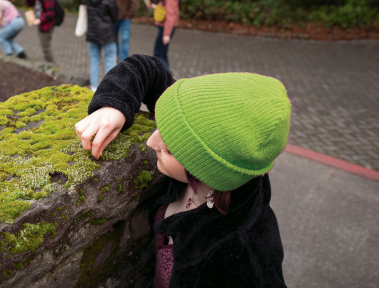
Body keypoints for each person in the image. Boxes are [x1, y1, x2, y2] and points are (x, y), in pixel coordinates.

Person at [75, 55, 289, 287]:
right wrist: (114, 105)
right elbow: (147, 68)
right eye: (161, 126)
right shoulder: (195, 119)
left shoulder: (246, 256)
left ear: (205, 170)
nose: (150, 142)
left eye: (169, 148)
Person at [82, 0, 119, 92]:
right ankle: (109, 88)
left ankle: (94, 87)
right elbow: (115, 15)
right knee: (110, 59)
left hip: (92, 32)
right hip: (107, 33)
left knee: (94, 59)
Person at [144, 0, 180, 73]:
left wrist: (166, 34)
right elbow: (164, 9)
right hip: (164, 28)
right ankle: (169, 78)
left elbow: (170, 15)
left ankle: (167, 80)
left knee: (158, 54)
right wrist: (153, 6)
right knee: (162, 53)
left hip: (166, 28)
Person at [24, 0, 57, 64]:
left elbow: (51, 13)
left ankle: (51, 65)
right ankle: (50, 64)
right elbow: (28, 4)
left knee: (45, 47)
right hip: (41, 25)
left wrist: (40, 20)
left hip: (47, 26)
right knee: (44, 46)